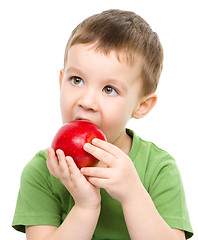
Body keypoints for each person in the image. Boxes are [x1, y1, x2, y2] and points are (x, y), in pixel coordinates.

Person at [12, 9, 193, 239]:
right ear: (61, 81)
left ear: (142, 106)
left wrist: (133, 195)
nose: (87, 102)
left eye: (110, 89)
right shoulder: (43, 170)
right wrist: (85, 206)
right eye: (76, 80)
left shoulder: (159, 169)